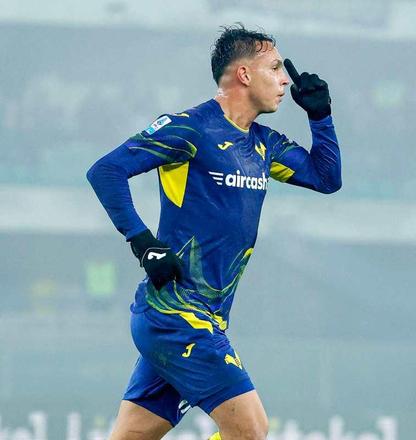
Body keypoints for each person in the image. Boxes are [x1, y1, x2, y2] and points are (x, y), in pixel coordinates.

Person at [86, 24, 341, 440]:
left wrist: (320, 115)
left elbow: (326, 178)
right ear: (244, 74)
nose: (284, 80)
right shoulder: (191, 128)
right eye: (275, 67)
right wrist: (143, 242)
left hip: (204, 319)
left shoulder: (265, 145)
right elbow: (106, 171)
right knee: (251, 430)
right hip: (176, 315)